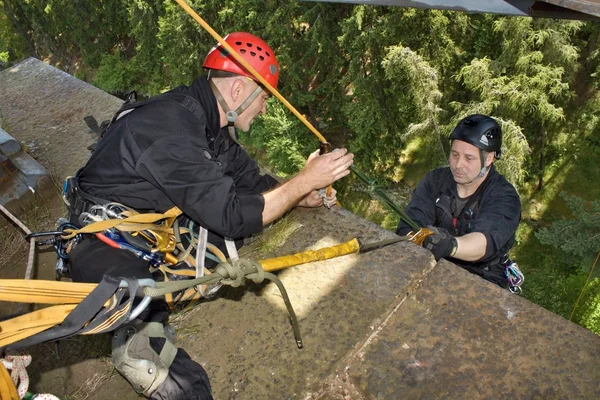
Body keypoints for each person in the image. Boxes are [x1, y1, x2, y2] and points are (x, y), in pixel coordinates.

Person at [65, 32, 354, 400]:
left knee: (238, 228)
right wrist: (301, 182)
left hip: (145, 232)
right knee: (186, 384)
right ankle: (134, 347)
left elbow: (253, 183)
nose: (264, 109)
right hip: (101, 246)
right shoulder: (173, 129)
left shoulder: (207, 123)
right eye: (263, 98)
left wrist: (301, 195)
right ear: (238, 91)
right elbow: (231, 214)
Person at [396, 114, 521, 289]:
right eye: (455, 155)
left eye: (468, 158)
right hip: (435, 264)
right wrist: (415, 237)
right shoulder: (435, 181)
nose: (457, 165)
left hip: (484, 276)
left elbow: (484, 243)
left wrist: (451, 245)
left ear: (489, 158)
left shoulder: (504, 197)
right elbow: (409, 224)